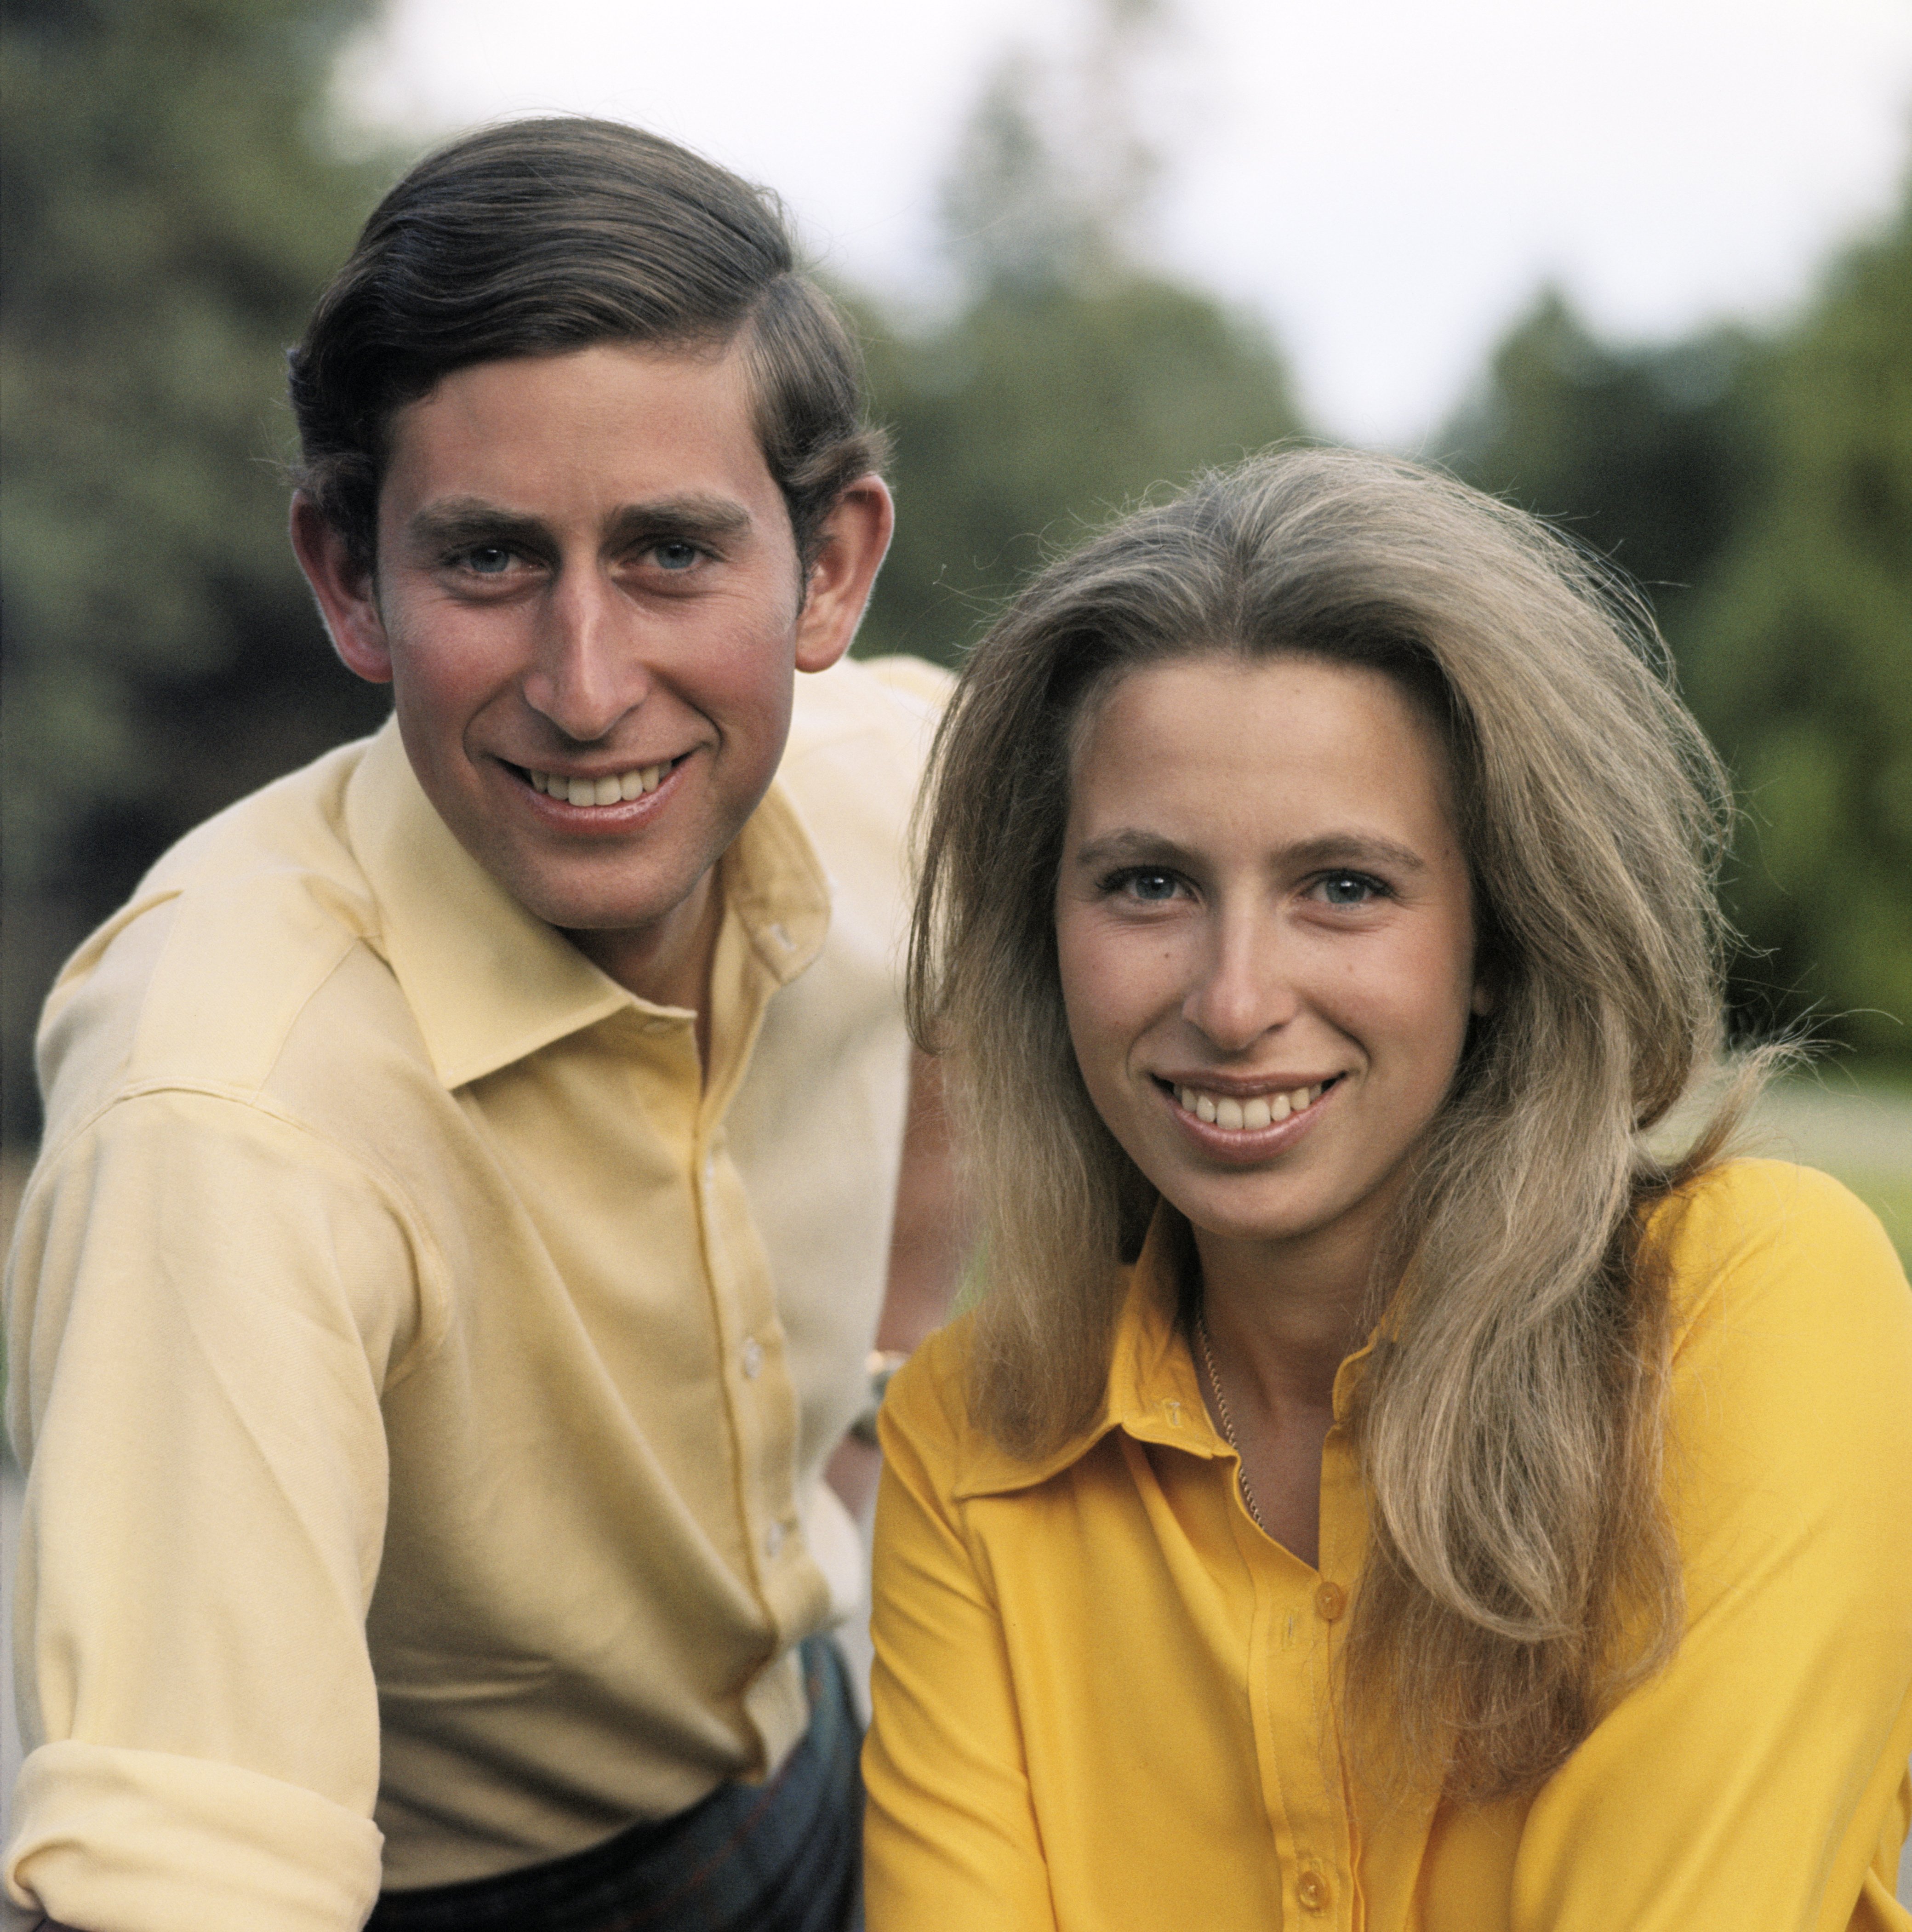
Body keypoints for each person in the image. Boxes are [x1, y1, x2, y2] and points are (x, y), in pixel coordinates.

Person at [4, 117, 962, 1932]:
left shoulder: (893, 782)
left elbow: (1015, 958)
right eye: (492, 561)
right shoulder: (225, 1100)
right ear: (351, 576)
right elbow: (178, 1879)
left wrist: (884, 1387)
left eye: (673, 554)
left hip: (835, 1750)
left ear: (829, 568)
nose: (588, 686)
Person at [864, 448, 1912, 1930]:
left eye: (1344, 886)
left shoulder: (1760, 1302)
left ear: (1499, 934)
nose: (1234, 1000)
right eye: (1149, 882)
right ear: (1047, 931)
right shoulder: (970, 1435)